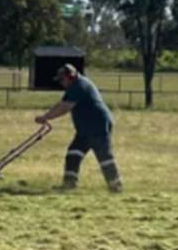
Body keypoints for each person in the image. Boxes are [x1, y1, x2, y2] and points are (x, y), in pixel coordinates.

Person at [35, 64, 122, 192]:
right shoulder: (74, 86)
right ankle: (69, 184)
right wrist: (46, 116)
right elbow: (61, 104)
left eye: (62, 80)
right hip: (85, 129)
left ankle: (116, 185)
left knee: (104, 157)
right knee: (73, 153)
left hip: (97, 125)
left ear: (70, 77)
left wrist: (46, 117)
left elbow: (65, 107)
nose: (61, 83)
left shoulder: (79, 86)